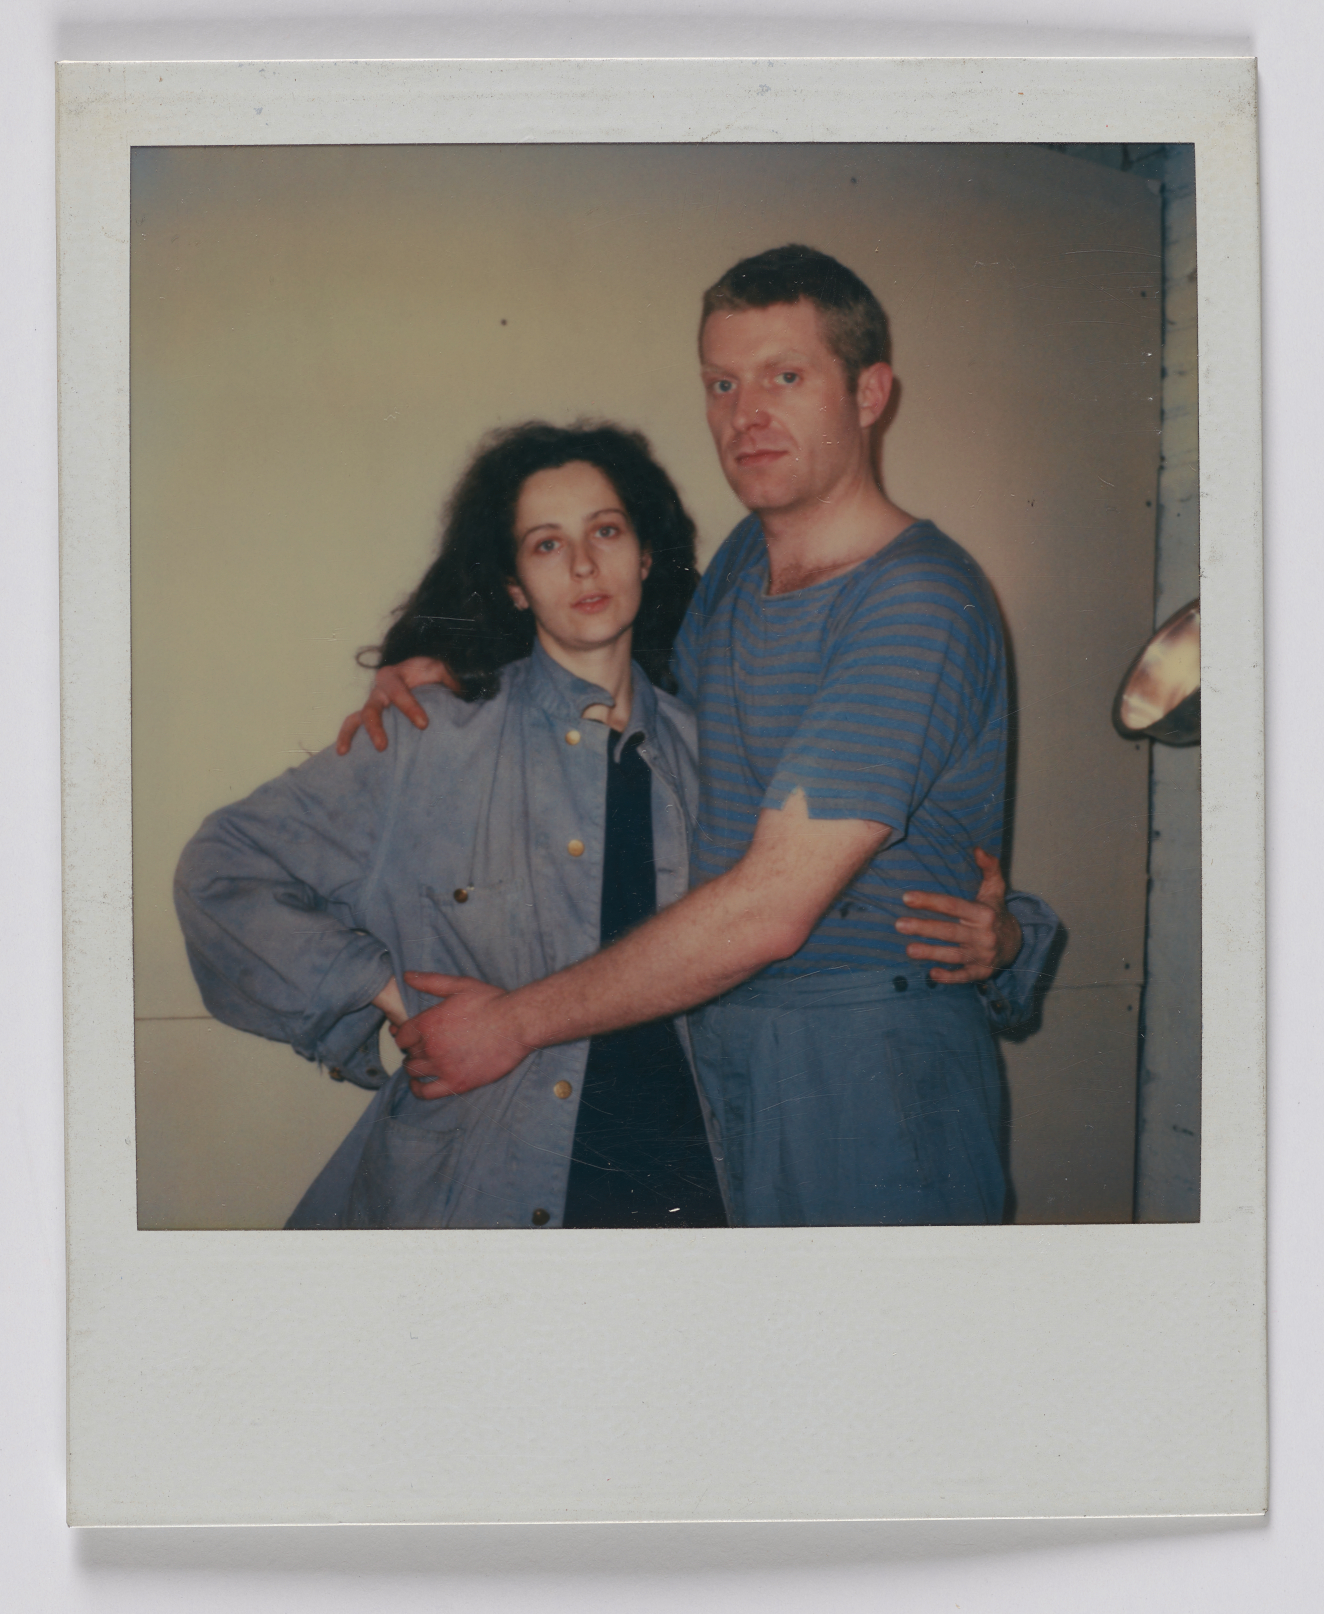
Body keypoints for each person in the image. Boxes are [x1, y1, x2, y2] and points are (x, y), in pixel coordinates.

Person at [339, 245, 1061, 1228]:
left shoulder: (915, 603)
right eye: (722, 383)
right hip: (724, 1052)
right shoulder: (739, 571)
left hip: (864, 1067)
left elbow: (769, 910)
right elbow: (610, 659)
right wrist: (440, 658)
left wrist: (510, 1025)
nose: (744, 413)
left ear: (869, 393)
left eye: (785, 376)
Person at [174, 422, 729, 1229]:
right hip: (484, 1197)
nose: (583, 564)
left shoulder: (712, 760)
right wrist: (387, 996)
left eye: (606, 531)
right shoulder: (426, 741)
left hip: (683, 1188)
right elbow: (221, 872)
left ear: (646, 554)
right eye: (546, 544)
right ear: (514, 585)